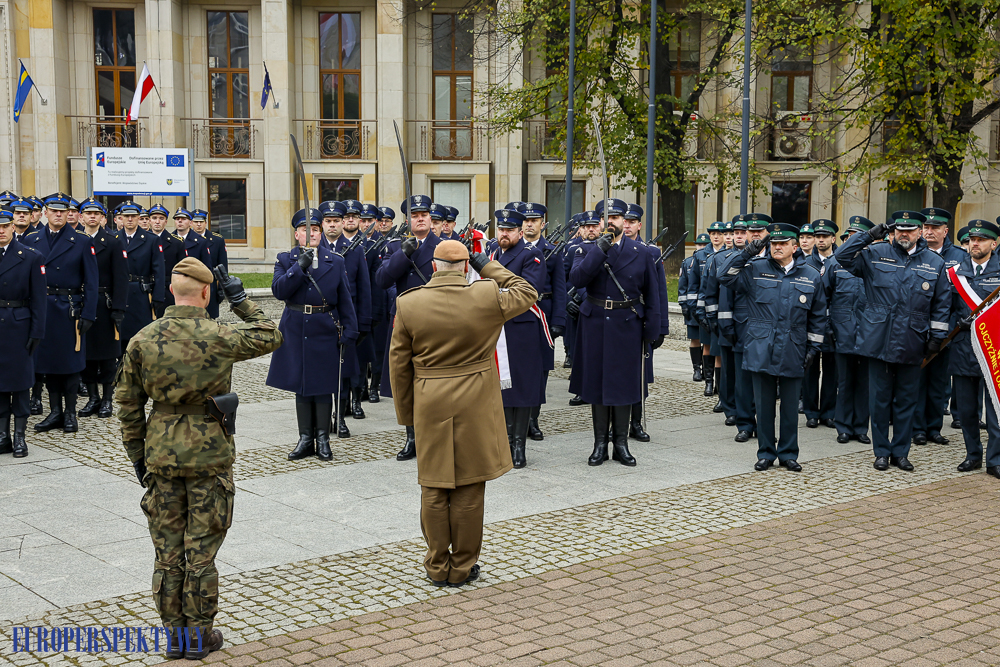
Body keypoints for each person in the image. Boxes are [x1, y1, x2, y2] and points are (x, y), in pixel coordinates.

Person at [117, 258, 282, 660]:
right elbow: (269, 333)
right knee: (201, 553)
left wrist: (140, 459)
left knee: (168, 553)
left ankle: (175, 637)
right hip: (210, 455)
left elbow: (127, 406)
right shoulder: (220, 334)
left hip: (160, 455)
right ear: (207, 293)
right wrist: (240, 299)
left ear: (171, 290)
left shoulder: (142, 339)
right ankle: (200, 638)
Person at [389, 240, 536, 587]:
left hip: (430, 400)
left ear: (434, 266)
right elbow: (526, 291)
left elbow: (399, 364)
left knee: (434, 487)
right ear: (465, 267)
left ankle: (437, 565)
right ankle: (464, 566)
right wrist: (487, 264)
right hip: (475, 402)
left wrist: (408, 414)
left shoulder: (409, 303)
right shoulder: (485, 295)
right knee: (470, 486)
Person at [835, 211, 951, 471]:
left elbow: (942, 304)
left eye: (910, 230)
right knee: (879, 400)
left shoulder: (934, 262)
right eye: (899, 229)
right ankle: (881, 452)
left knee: (907, 401)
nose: (904, 234)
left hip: (912, 339)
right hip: (878, 340)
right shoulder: (875, 254)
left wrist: (937, 338)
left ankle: (901, 452)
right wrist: (868, 236)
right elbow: (841, 257)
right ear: (892, 231)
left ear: (920, 231)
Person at [719, 223, 827, 472]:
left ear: (794, 246)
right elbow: (724, 276)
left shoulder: (810, 274)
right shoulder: (755, 269)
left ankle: (789, 453)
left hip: (793, 347)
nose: (777, 247)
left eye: (782, 243)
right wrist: (746, 252)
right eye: (773, 243)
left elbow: (818, 315)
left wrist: (813, 348)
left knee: (790, 407)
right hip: (761, 346)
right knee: (764, 405)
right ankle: (766, 452)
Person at [569, 198, 662, 467]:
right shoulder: (588, 249)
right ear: (600, 222)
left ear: (625, 221)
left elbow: (652, 294)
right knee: (597, 386)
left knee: (623, 385)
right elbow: (577, 280)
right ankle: (600, 444)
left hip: (627, 323)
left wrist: (653, 331)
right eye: (605, 218)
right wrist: (599, 249)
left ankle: (621, 443)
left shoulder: (642, 252)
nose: (611, 222)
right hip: (595, 323)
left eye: (616, 217)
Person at [268, 208, 358, 461]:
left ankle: (323, 438)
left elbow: (344, 299)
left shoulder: (335, 260)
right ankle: (305, 438)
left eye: (316, 229)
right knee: (301, 386)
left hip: (324, 328)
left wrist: (350, 330)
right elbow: (279, 290)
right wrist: (299, 267)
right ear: (297, 234)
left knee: (323, 386)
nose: (312, 233)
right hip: (296, 328)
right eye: (306, 229)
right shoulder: (285, 259)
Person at [24, 193, 98, 434]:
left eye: (62, 211)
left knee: (70, 364)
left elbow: (92, 281)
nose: (58, 214)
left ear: (69, 214)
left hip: (69, 309)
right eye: (53, 210)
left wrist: (88, 313)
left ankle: (70, 414)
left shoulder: (82, 240)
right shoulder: (33, 239)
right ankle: (54, 411)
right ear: (45, 212)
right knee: (47, 363)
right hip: (42, 308)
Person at [376, 195, 441, 461]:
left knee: (435, 381)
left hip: (436, 320)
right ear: (407, 220)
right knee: (407, 381)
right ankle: (412, 438)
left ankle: (434, 437)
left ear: (431, 218)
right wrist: (405, 253)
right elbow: (381, 279)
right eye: (415, 215)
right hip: (405, 322)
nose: (421, 219)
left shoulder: (446, 245)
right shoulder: (395, 247)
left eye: (424, 214)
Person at [489, 209, 547, 468]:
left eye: (509, 230)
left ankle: (518, 446)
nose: (504, 234)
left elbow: (526, 292)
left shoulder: (530, 255)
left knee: (521, 388)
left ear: (520, 232)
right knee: (498, 388)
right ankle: (502, 443)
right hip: (494, 328)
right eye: (501, 229)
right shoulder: (492, 254)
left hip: (520, 329)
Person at [948, 219, 1000, 479]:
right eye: (971, 240)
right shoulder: (955, 273)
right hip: (963, 349)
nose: (975, 244)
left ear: (994, 243)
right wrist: (953, 325)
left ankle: (995, 460)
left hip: (994, 351)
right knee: (967, 411)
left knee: (995, 411)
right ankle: (972, 455)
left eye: (981, 240)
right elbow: (943, 307)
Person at [912, 207, 964, 446]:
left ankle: (934, 428)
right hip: (916, 328)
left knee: (939, 381)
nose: (929, 231)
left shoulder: (960, 257)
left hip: (948, 329)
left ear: (946, 231)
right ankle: (917, 428)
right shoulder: (915, 254)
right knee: (917, 380)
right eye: (926, 228)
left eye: (934, 228)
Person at [0, 208, 46, 458]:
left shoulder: (30, 256)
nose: (1, 231)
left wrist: (37, 331)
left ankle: (19, 437)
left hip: (19, 326)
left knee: (19, 385)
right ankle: (2, 436)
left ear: (12, 228)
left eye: (5, 226)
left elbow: (39, 299)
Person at [77, 198, 128, 419]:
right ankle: (92, 398)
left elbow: (121, 277)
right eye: (87, 213)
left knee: (107, 355)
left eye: (96, 213)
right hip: (81, 303)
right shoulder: (75, 240)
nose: (91, 217)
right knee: (86, 354)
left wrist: (118, 308)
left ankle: (107, 398)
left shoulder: (113, 241)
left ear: (102, 218)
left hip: (104, 303)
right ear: (80, 217)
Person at [623, 203, 669, 440]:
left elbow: (659, 292)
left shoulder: (650, 252)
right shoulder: (611, 248)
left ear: (639, 225)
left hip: (640, 320)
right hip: (621, 320)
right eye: (625, 221)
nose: (628, 225)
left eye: (632, 222)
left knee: (640, 375)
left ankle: (636, 423)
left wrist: (661, 327)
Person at [825, 217, 872, 444]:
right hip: (842, 331)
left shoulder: (873, 263)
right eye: (850, 236)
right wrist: (828, 328)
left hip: (867, 333)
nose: (852, 239)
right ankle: (843, 426)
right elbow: (822, 298)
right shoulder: (834, 264)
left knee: (864, 383)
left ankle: (860, 427)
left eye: (858, 236)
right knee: (843, 382)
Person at [329, 200, 372, 431]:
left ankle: (341, 417)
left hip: (348, 318)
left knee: (345, 370)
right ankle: (326, 417)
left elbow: (364, 287)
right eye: (330, 221)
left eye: (338, 220)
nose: (334, 224)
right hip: (324, 318)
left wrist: (363, 323)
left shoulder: (355, 248)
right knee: (325, 369)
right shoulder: (317, 248)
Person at [704, 220, 747, 428]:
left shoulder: (760, 260)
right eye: (735, 232)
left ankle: (748, 409)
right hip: (726, 324)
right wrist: (714, 320)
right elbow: (710, 292)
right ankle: (730, 409)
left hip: (749, 325)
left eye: (742, 232)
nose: (738, 236)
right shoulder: (719, 259)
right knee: (728, 370)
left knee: (747, 372)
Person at [802, 219, 839, 429]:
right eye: (818, 236)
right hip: (812, 324)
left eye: (825, 236)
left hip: (834, 325)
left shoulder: (842, 260)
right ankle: (811, 412)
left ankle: (828, 412)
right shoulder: (805, 263)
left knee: (832, 372)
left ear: (833, 238)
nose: (821, 240)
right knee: (810, 369)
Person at [118, 201, 166, 351]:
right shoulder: (113, 238)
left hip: (141, 293)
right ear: (121, 218)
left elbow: (159, 270)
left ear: (139, 218)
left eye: (133, 216)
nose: (130, 219)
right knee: (120, 336)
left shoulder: (151, 239)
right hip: (120, 292)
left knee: (142, 336)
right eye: (127, 216)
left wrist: (158, 296)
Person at [692, 222, 727, 397]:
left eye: (719, 233)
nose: (716, 236)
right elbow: (696, 284)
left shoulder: (729, 254)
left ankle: (719, 386)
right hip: (705, 307)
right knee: (706, 345)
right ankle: (708, 381)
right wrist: (698, 311)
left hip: (721, 308)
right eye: (713, 233)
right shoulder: (700, 255)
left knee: (718, 349)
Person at [679, 233, 709, 381]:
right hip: (692, 308)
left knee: (707, 341)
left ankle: (706, 369)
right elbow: (682, 286)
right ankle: (696, 369)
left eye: (704, 245)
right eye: (699, 244)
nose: (701, 247)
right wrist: (684, 305)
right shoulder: (687, 263)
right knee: (695, 339)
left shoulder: (711, 260)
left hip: (706, 308)